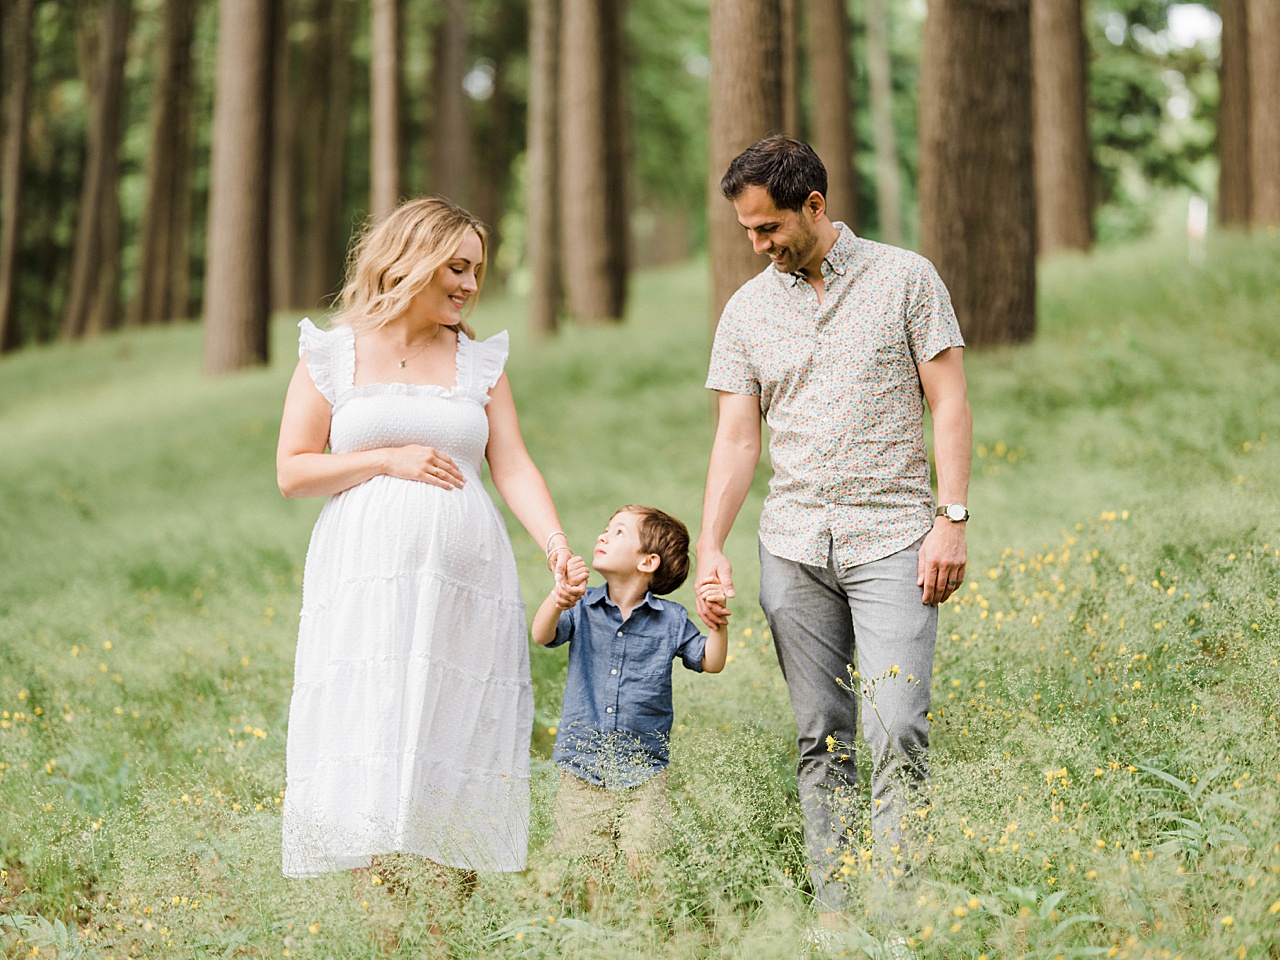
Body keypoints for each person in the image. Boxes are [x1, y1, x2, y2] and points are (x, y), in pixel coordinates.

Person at [695, 136, 972, 923]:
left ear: (814, 205)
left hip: (893, 538)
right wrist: (713, 543)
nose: (757, 245)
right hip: (791, 548)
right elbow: (737, 438)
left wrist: (950, 519)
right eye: (746, 231)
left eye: (767, 227)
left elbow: (948, 401)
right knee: (821, 738)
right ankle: (838, 915)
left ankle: (899, 916)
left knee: (897, 730)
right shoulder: (747, 309)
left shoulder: (906, 279)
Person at [275, 196, 585, 881]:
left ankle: (447, 918)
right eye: (457, 267)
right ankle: (381, 915)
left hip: (466, 582)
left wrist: (555, 543)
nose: (472, 285)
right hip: (364, 579)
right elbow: (293, 471)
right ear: (410, 260)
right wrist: (387, 459)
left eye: (477, 270)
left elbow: (512, 464)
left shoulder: (477, 363)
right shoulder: (333, 353)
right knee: (372, 723)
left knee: (457, 728)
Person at [531, 505, 728, 906]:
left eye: (617, 532)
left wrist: (717, 625)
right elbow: (541, 634)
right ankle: (605, 932)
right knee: (591, 868)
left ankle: (647, 930)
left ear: (647, 562)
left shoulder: (671, 620)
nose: (603, 536)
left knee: (644, 864)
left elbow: (711, 661)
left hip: (644, 769)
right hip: (582, 764)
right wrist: (558, 598)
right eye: (606, 529)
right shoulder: (582, 607)